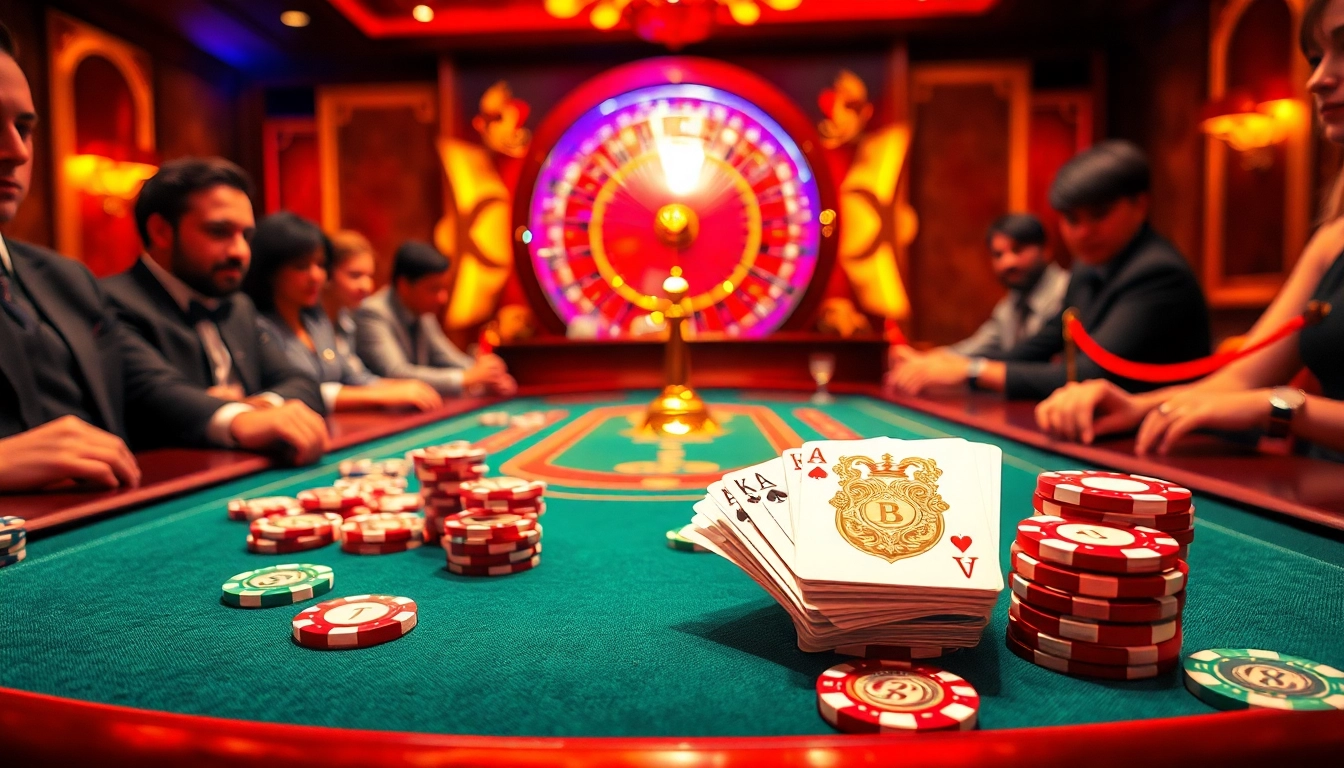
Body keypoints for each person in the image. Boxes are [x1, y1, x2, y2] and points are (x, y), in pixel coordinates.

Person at [0, 25, 313, 492]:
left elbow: (149, 387)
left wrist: (240, 415)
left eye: (25, 128)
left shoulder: (67, 280)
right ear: (161, 232)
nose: (18, 151)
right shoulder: (116, 294)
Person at [1033, 0, 1344, 459]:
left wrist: (1281, 407)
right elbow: (1241, 377)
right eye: (1315, 60)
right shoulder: (1333, 236)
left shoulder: (1157, 272)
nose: (1317, 79)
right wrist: (1137, 407)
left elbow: (1260, 396)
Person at [885, 140, 1211, 400]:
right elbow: (1045, 343)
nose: (1083, 232)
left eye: (1099, 215)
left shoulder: (1157, 274)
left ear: (1140, 205)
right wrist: (946, 364)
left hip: (1175, 450)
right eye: (1072, 219)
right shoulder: (1087, 266)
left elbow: (1088, 374)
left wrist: (972, 371)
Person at [102, 157, 328, 464]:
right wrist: (238, 420)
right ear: (161, 232)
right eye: (220, 231)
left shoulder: (238, 307)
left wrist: (260, 407)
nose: (240, 252)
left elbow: (300, 381)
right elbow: (154, 395)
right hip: (169, 491)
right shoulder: (110, 302)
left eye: (246, 236)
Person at [241, 212, 442, 413]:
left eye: (320, 265)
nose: (316, 276)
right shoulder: (257, 326)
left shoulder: (316, 320)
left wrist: (398, 388)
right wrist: (376, 394)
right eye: (301, 266)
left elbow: (353, 377)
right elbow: (292, 393)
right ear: (269, 270)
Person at [886, 213, 1069, 393]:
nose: (1008, 262)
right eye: (998, 255)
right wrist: (924, 362)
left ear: (1046, 249)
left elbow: (1037, 364)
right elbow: (974, 349)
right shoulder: (1010, 305)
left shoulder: (1069, 292)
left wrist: (970, 370)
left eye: (1017, 250)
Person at [354, 241, 516, 396]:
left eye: (444, 288)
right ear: (404, 286)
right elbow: (396, 372)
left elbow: (448, 357)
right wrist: (466, 378)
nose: (443, 298)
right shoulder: (372, 312)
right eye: (434, 289)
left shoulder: (423, 312)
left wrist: (490, 376)